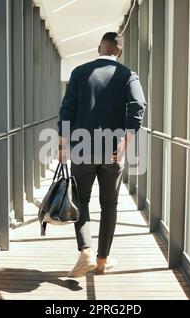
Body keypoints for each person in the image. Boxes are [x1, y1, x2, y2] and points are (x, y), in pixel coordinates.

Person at [57, 32, 147, 278]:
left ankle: (85, 250)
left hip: (82, 148)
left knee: (81, 201)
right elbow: (138, 106)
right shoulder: (127, 75)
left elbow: (67, 111)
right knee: (109, 205)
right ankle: (102, 260)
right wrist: (125, 142)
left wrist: (63, 144)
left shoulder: (79, 72)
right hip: (113, 151)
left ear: (100, 48)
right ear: (118, 52)